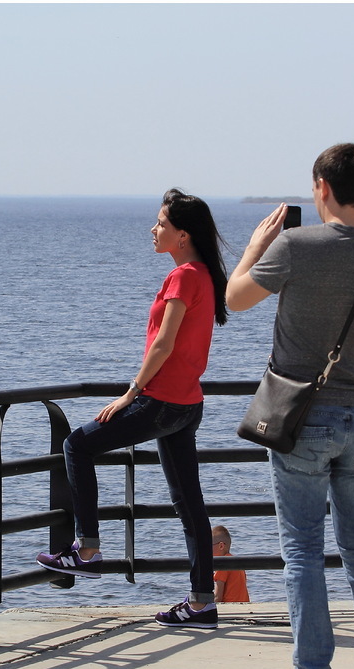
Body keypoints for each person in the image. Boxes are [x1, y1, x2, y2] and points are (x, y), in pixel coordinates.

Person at [225, 143, 354, 669]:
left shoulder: (296, 245)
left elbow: (235, 299)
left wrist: (255, 248)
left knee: (303, 549)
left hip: (302, 418)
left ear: (322, 187)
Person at [37, 189, 229, 629]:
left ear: (182, 235)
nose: (153, 229)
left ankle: (87, 549)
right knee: (190, 507)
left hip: (160, 401)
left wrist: (131, 393)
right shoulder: (204, 274)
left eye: (161, 223)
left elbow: (164, 343)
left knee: (76, 445)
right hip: (187, 404)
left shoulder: (183, 277)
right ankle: (202, 603)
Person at [212, 525, 250, 603]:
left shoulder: (222, 565)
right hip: (244, 605)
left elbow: (217, 597)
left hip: (230, 606)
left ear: (221, 546)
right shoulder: (236, 562)